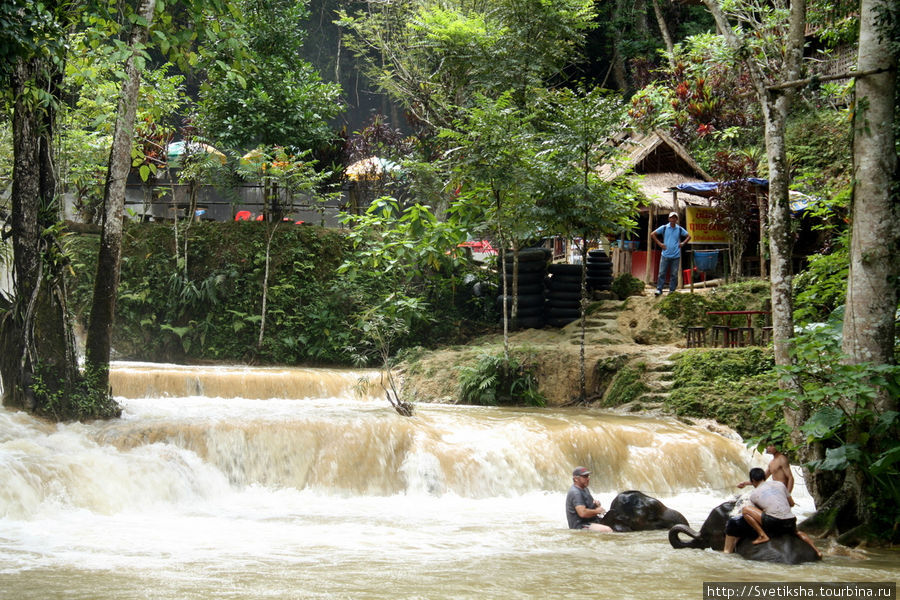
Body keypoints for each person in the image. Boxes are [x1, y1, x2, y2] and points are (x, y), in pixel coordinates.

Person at [724, 467, 820, 557]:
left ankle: (762, 535)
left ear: (752, 481)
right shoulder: (780, 484)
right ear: (764, 477)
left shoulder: (754, 494)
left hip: (775, 522)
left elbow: (758, 512)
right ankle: (817, 551)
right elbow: (791, 503)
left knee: (746, 510)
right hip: (790, 521)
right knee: (798, 532)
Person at [650, 212, 691, 296]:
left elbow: (689, 236)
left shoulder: (679, 229)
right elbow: (652, 234)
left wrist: (683, 243)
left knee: (674, 274)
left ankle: (672, 290)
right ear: (669, 219)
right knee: (662, 273)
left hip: (676, 255)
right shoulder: (664, 228)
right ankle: (659, 289)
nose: (673, 219)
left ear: (677, 219)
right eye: (671, 218)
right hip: (665, 255)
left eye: (675, 218)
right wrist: (660, 244)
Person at [565, 467, 613, 532]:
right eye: (585, 476)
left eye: (588, 476)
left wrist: (596, 504)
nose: (588, 479)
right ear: (576, 479)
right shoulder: (576, 493)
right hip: (580, 526)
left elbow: (590, 506)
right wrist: (597, 511)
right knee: (607, 530)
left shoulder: (585, 489)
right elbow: (582, 513)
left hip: (591, 521)